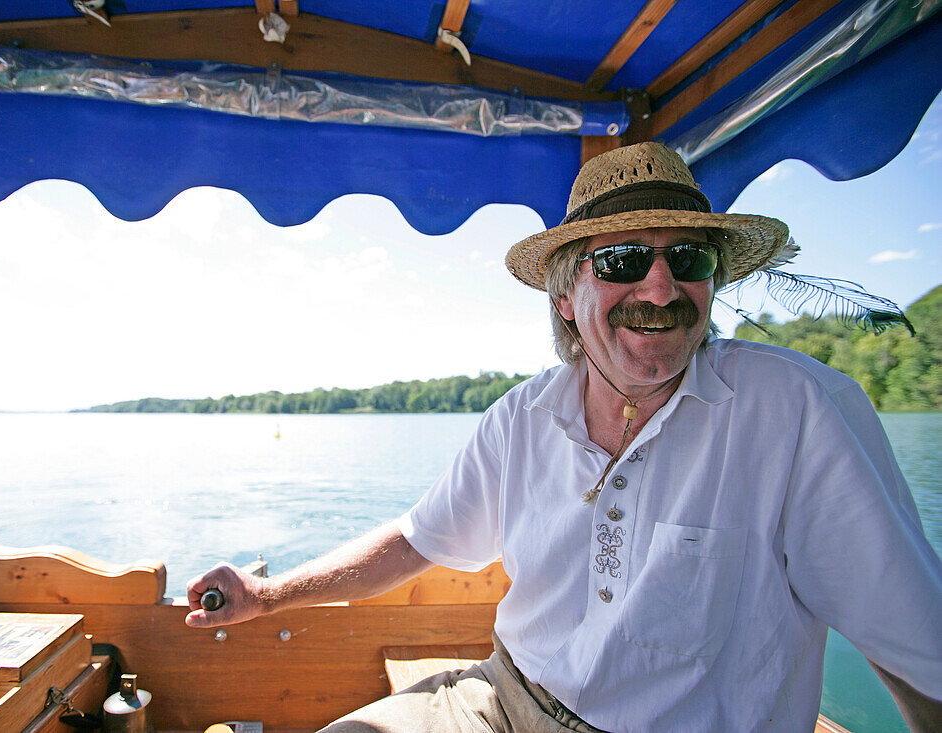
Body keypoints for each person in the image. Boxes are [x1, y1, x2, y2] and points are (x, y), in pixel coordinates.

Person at [186, 142, 942, 731]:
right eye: (621, 260)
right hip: (503, 699)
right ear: (566, 300)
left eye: (688, 258)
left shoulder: (798, 411)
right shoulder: (520, 418)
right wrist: (268, 592)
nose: (659, 285)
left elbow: (914, 647)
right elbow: (418, 539)